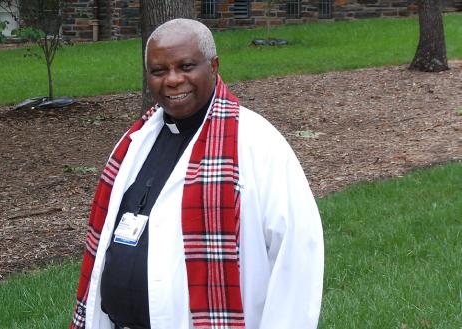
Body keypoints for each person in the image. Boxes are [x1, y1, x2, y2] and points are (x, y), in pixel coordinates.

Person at [70, 18, 323, 329]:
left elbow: (297, 256)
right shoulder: (135, 143)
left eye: (186, 66)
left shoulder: (258, 143)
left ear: (213, 66)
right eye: (159, 71)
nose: (173, 80)